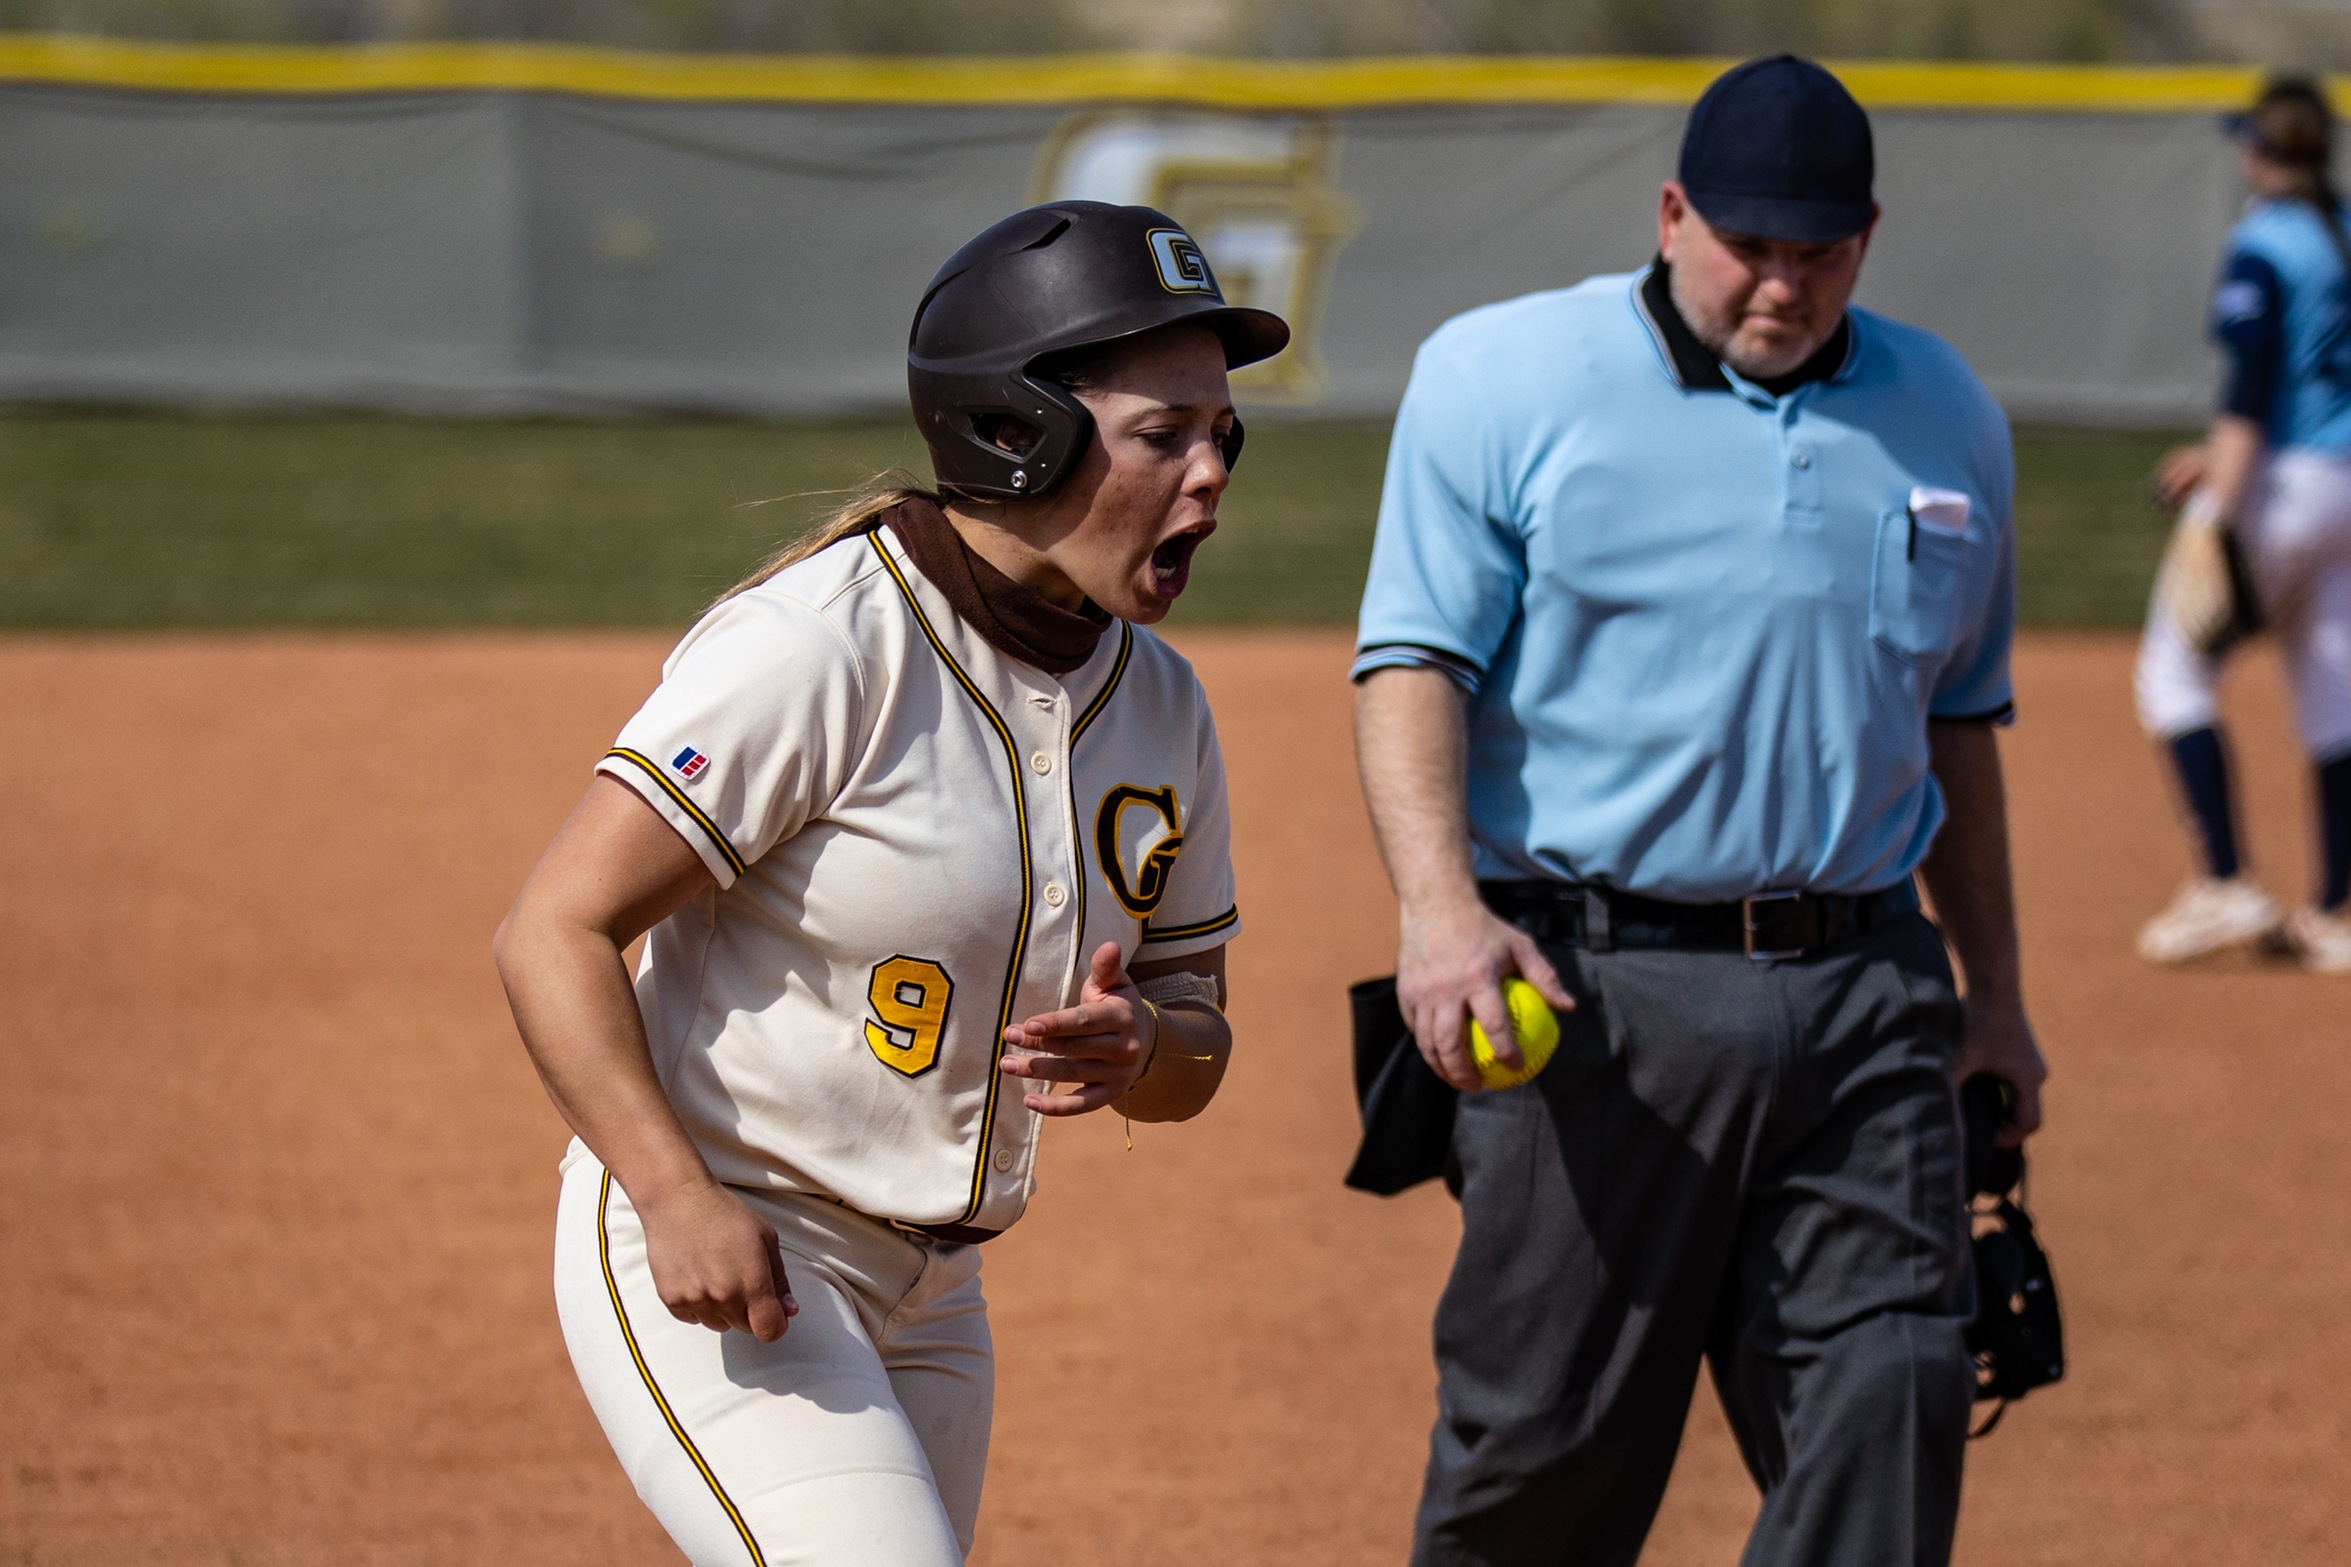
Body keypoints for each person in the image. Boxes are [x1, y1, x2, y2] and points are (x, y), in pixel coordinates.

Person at [492, 201, 1284, 1565]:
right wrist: (672, 1192)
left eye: (1222, 432)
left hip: (939, 1295)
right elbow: (550, 926)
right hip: (733, 1249)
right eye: (1163, 434)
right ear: (1012, 430)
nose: (1209, 471)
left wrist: (1147, 1041)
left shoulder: (1163, 707)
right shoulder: (823, 649)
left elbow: (1195, 1037)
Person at [1351, 56, 2047, 1567]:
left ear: (1866, 233)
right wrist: (1438, 914)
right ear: (1671, 214)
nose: (1782, 284)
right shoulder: (1502, 376)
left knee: (1892, 1395)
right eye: (1749, 245)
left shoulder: (1944, 412)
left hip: (1864, 988)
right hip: (1587, 993)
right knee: (1546, 1444)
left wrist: (1991, 997)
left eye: (1818, 250)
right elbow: (1410, 662)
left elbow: (1956, 725)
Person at [2133, 76, 2351, 973]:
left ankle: (2226, 881)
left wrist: (2217, 505)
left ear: (2263, 152)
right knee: (2334, 692)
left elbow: (2249, 397)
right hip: (2345, 486)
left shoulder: (2261, 243)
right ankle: (2337, 913)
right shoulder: (2343, 232)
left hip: (2280, 485)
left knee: (2171, 670)